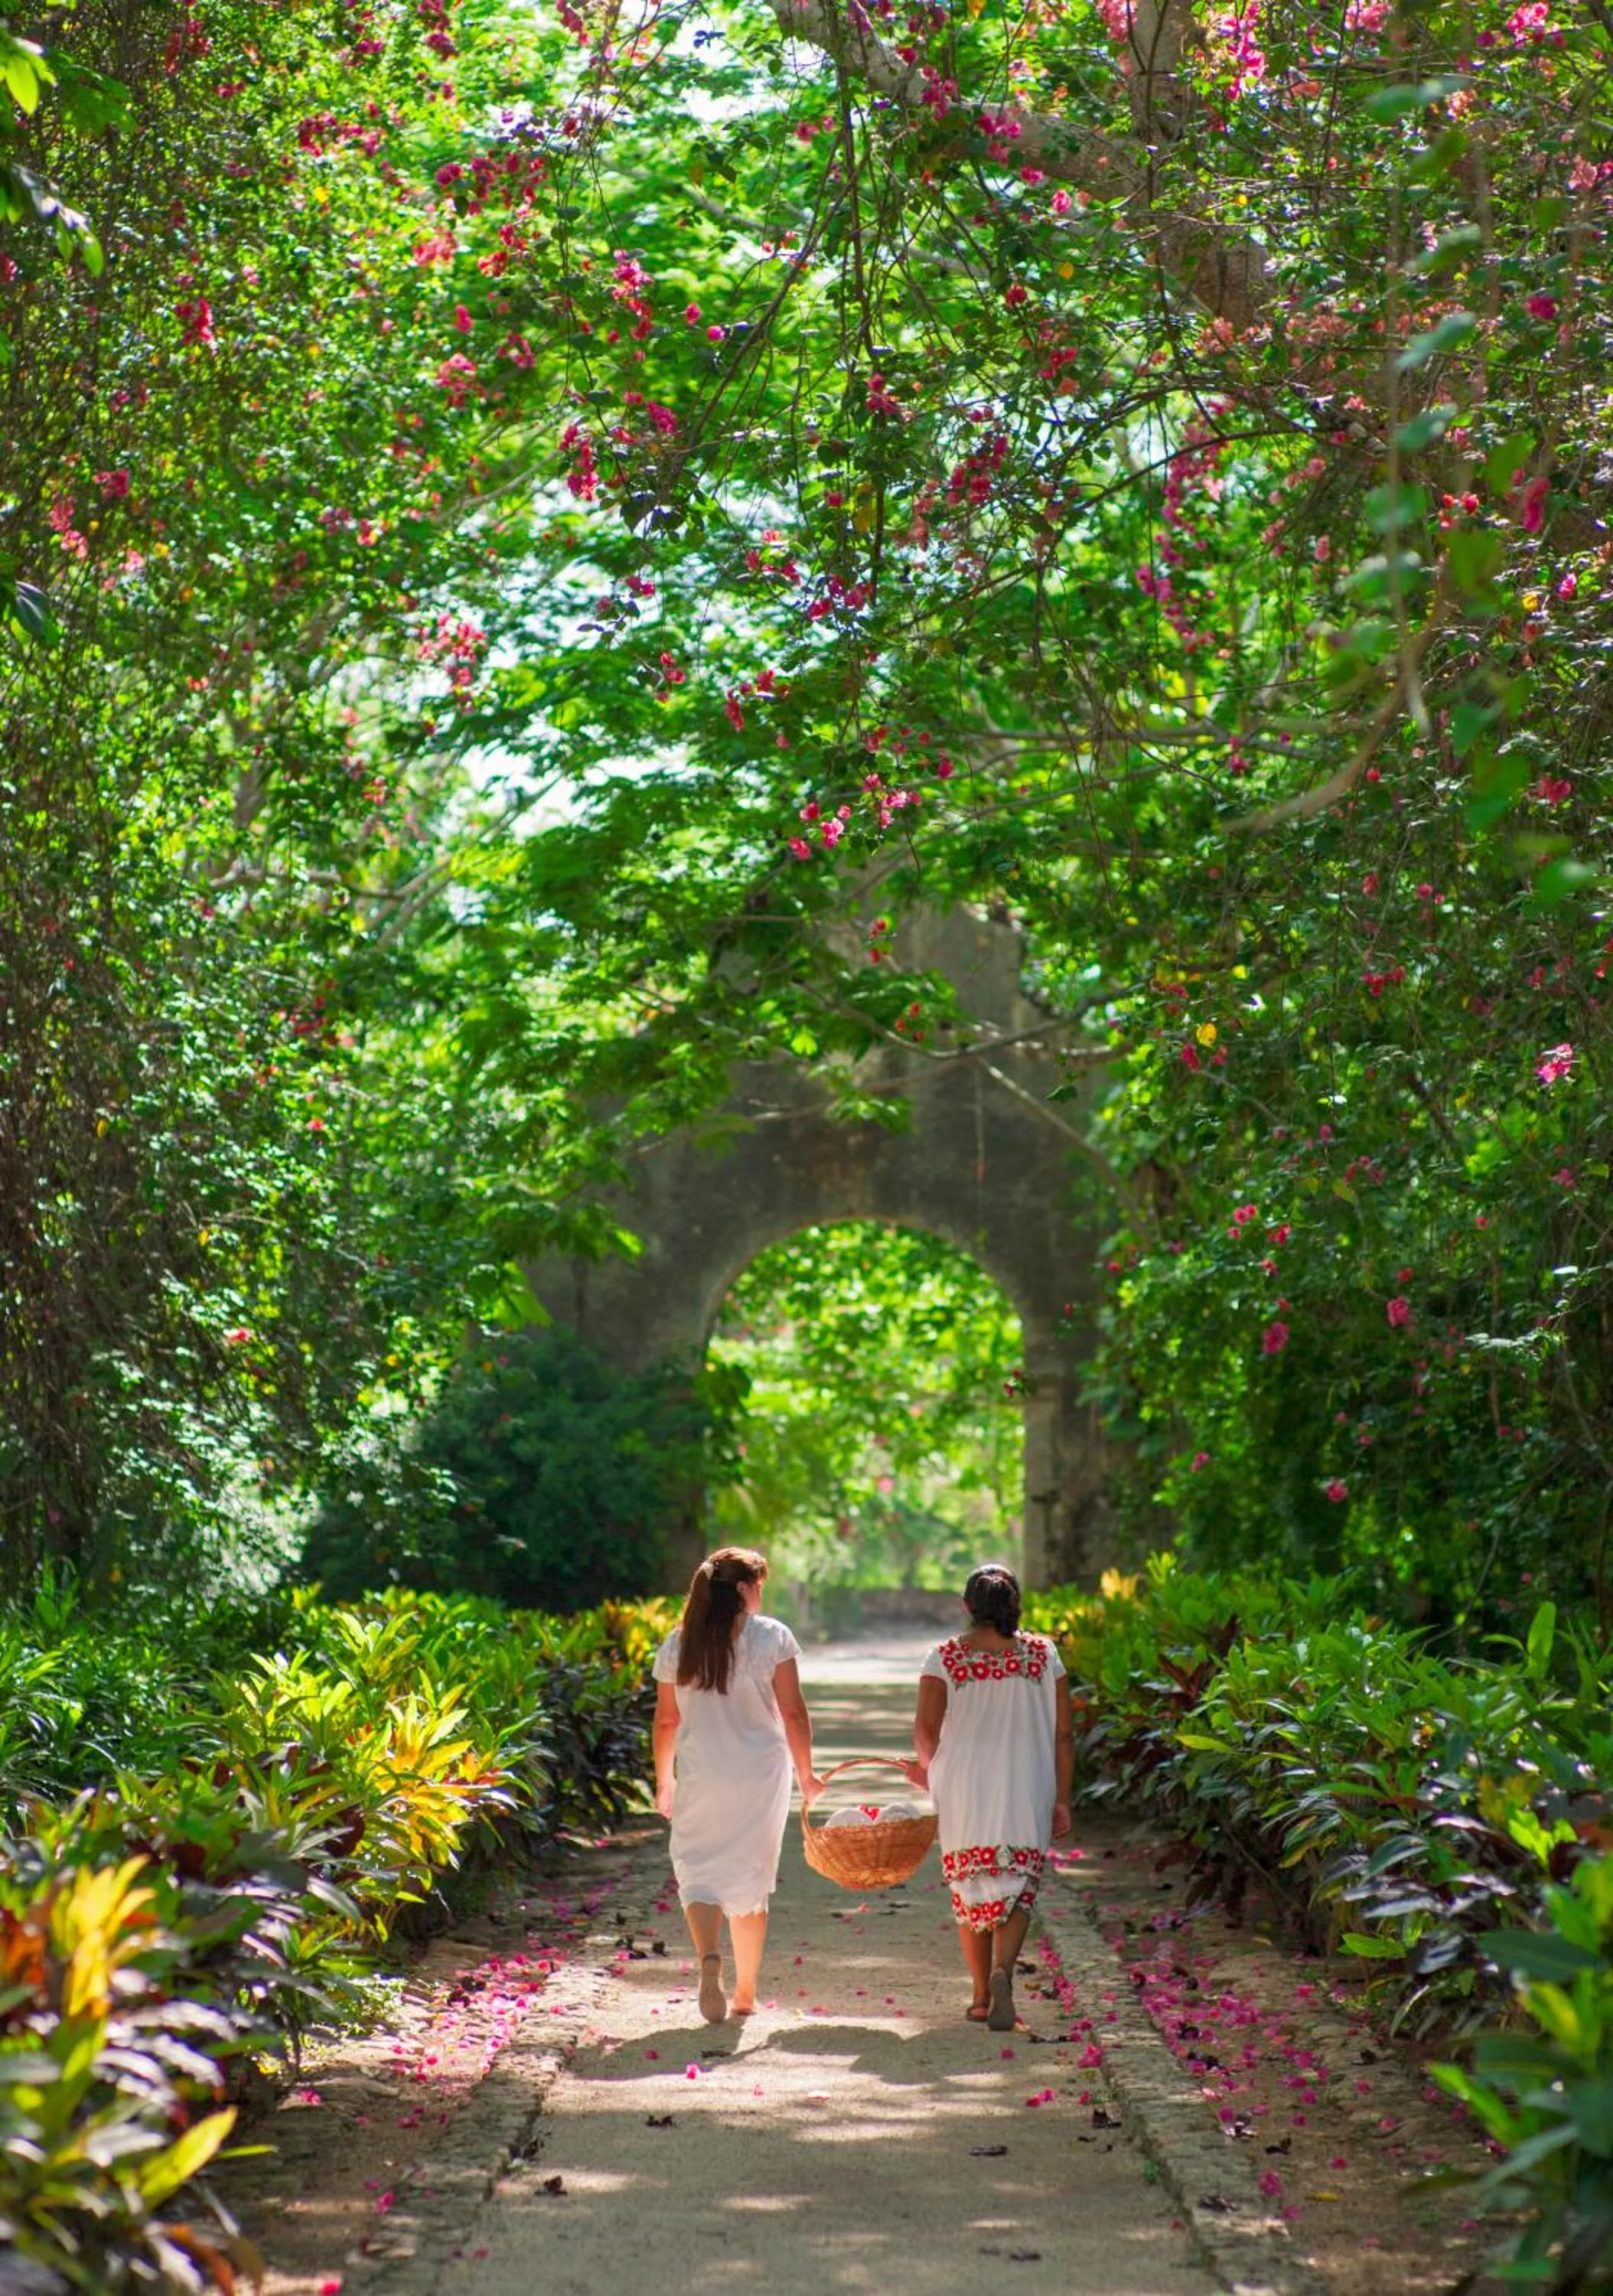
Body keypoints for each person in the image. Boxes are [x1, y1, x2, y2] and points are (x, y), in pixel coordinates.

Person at [652, 1545, 825, 2022]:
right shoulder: (772, 1637)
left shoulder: (678, 1643)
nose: (762, 1595)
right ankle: (745, 1992)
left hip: (701, 1772)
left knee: (700, 1870)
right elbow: (793, 1712)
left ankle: (710, 1958)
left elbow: (667, 1721)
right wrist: (807, 1775)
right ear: (745, 1589)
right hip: (760, 1775)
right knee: (750, 1877)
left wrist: (664, 1781)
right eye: (760, 1586)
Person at [902, 1563, 1074, 2031]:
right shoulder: (1043, 1654)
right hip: (1027, 1780)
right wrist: (1062, 1798)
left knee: (970, 1884)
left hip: (964, 1783)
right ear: (1015, 1604)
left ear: (966, 1607)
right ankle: (1004, 1974)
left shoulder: (944, 1657)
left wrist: (929, 1772)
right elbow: (1064, 1734)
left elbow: (925, 1730)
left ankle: (980, 1996)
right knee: (1018, 1883)